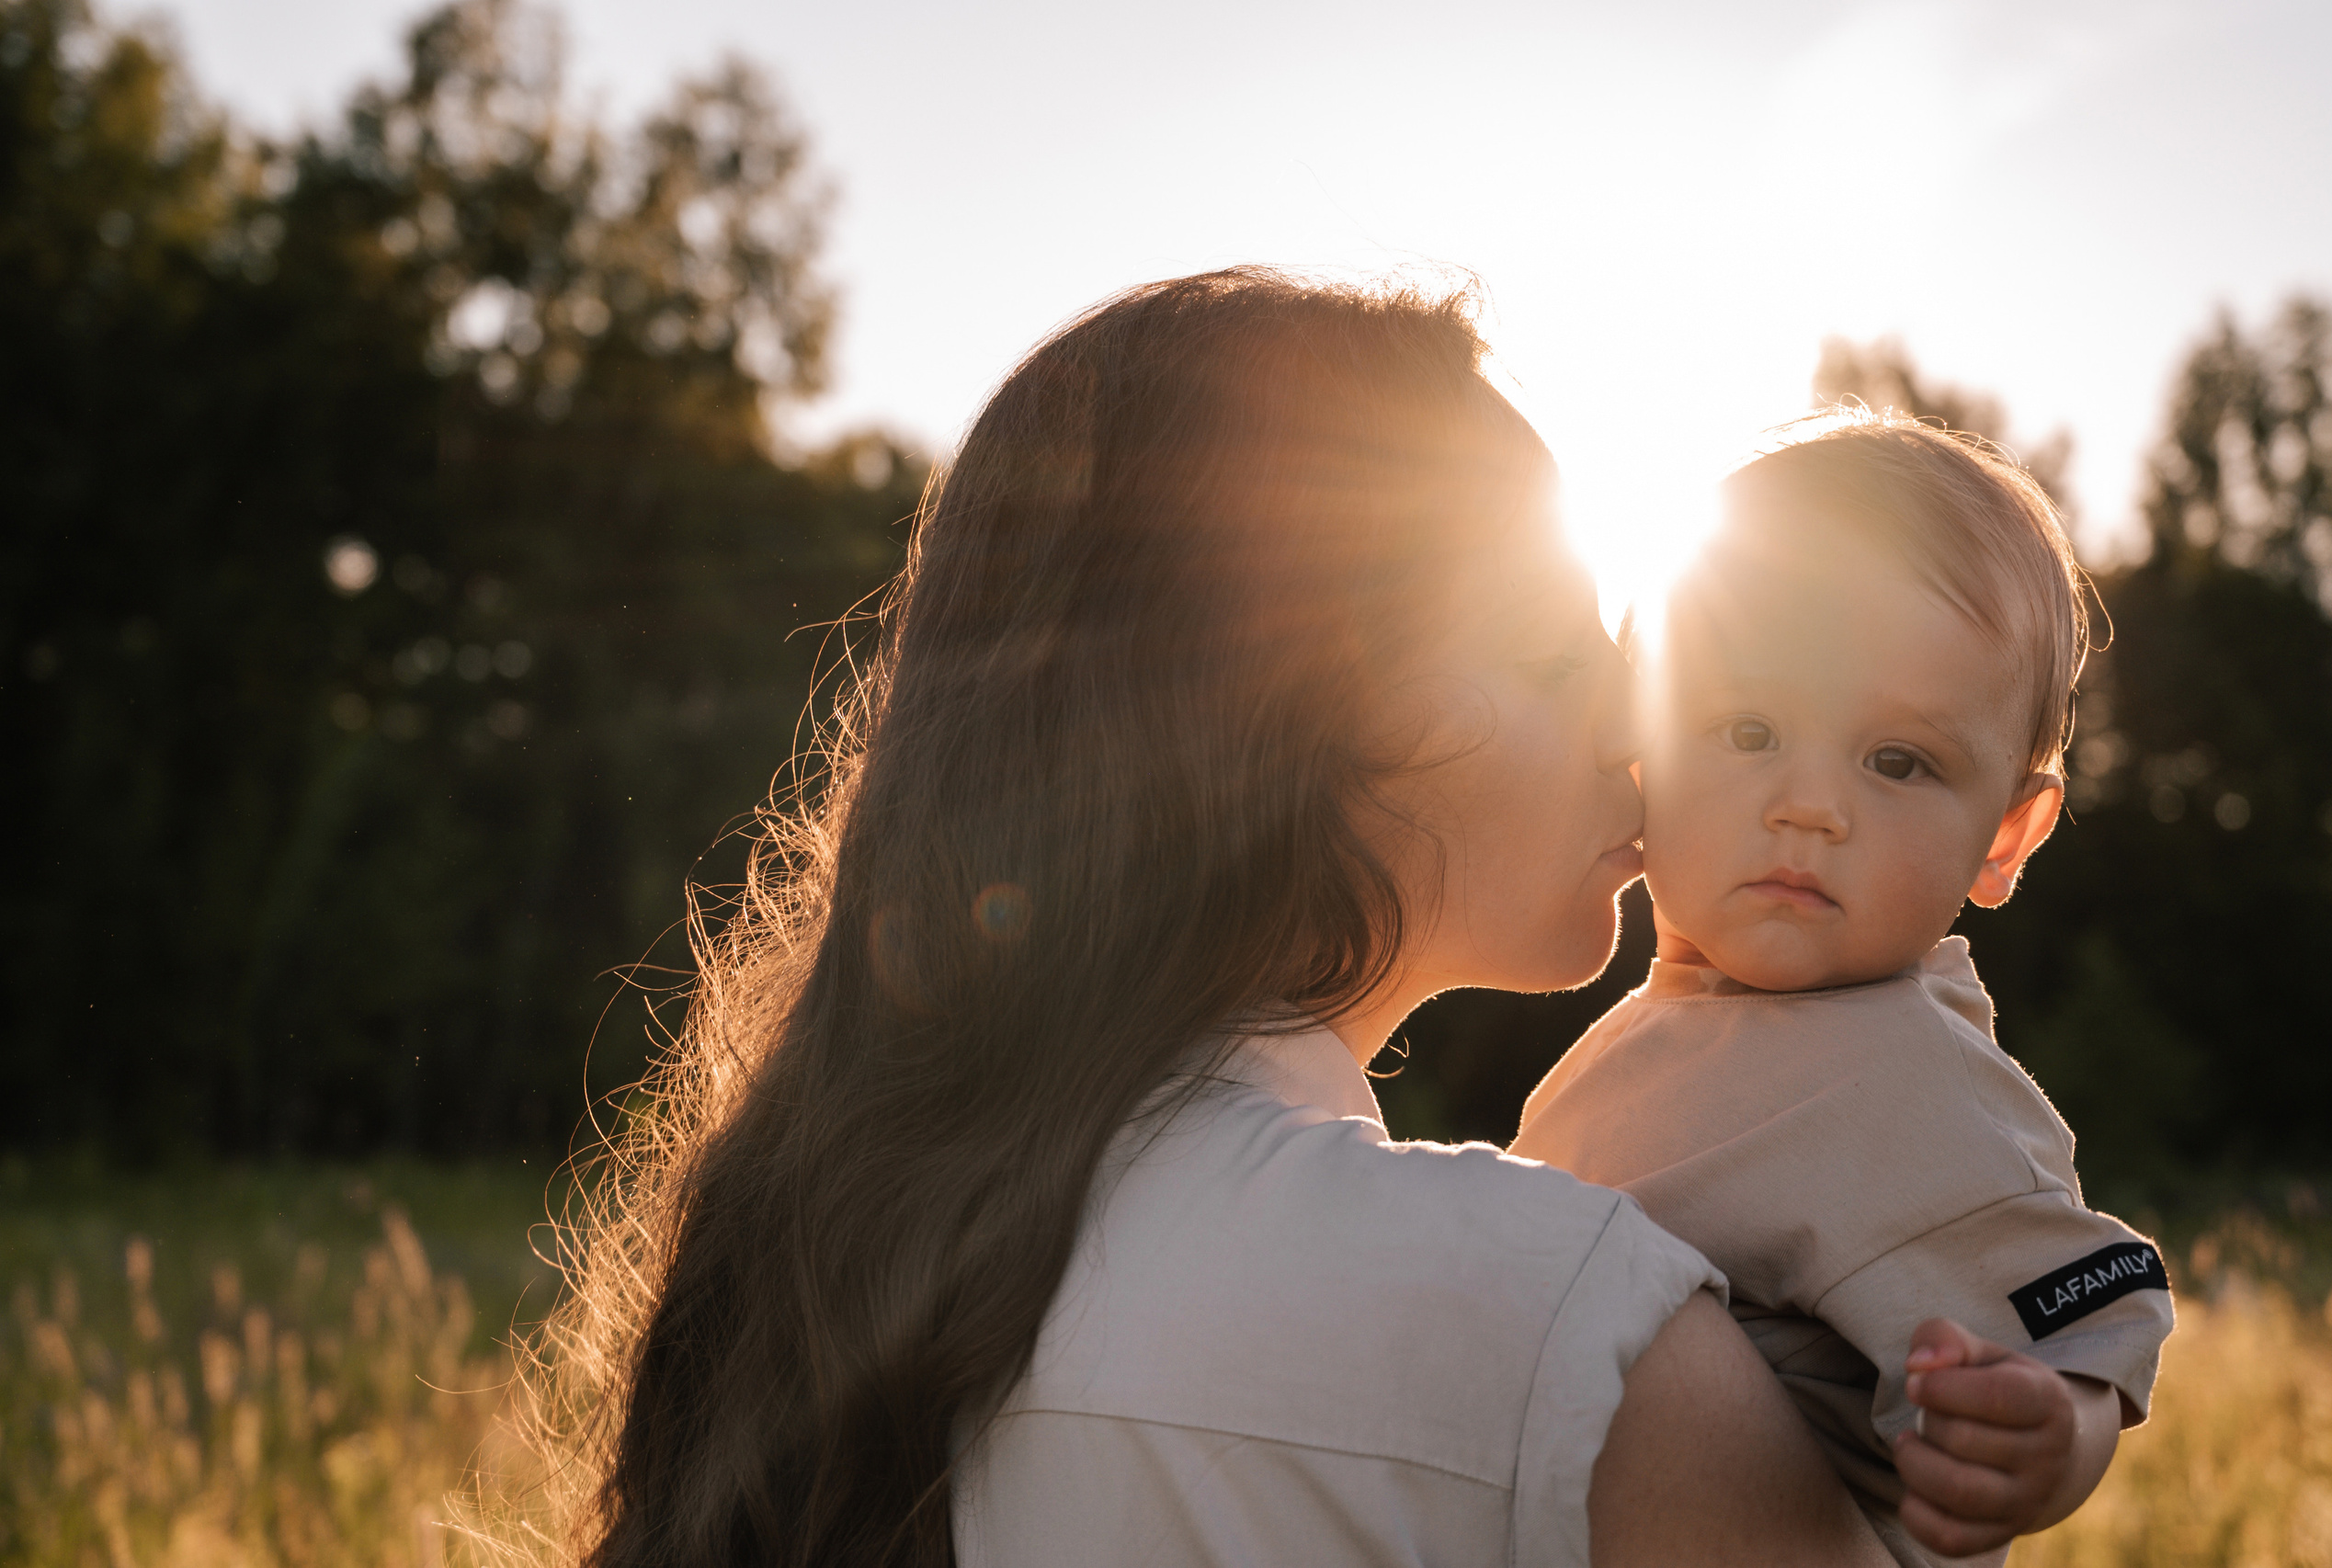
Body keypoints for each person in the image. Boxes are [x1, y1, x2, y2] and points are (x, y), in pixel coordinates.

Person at [549, 270, 2049, 1568]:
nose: (1638, 729)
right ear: (1311, 699)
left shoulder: (863, 1260)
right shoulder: (1549, 1309)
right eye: (1550, 648)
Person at [1512, 413, 2177, 1566]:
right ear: (1641, 751)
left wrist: (2045, 1431)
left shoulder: (1914, 1078)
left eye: (1897, 760)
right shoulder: (1668, 1032)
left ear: (2004, 835)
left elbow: (2088, 1323)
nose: (1809, 805)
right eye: (1749, 728)